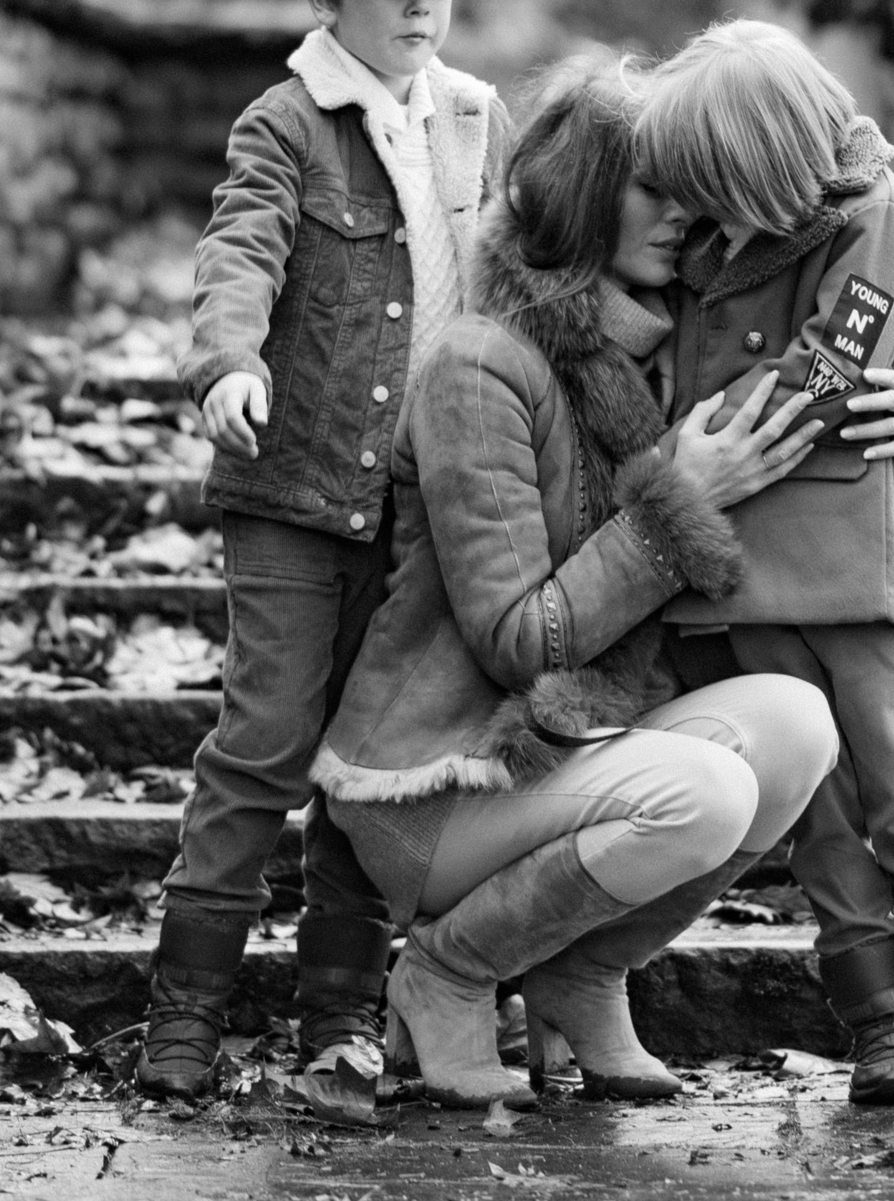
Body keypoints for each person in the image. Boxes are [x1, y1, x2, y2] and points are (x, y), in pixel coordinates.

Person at [311, 62, 845, 1108]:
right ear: (581, 197)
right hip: (441, 785)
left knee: (796, 727)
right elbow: (517, 639)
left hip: (569, 761)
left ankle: (580, 969)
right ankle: (447, 971)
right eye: (654, 188)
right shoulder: (481, 366)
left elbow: (832, 351)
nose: (684, 211)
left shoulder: (651, 355)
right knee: (709, 790)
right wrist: (677, 503)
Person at [150, 0, 513, 1097]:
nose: (418, 11)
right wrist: (225, 362)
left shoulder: (475, 115)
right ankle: (184, 1022)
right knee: (262, 747)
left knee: (368, 767)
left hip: (428, 508)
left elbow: (519, 277)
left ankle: (337, 1024)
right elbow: (239, 245)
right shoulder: (287, 121)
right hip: (292, 487)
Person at [638, 20, 894, 1106]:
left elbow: (837, 361)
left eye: (714, 182)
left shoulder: (870, 209)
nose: (696, 208)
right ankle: (879, 1023)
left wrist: (702, 440)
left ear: (761, 160)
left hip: (852, 545)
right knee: (820, 817)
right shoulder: (704, 240)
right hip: (738, 559)